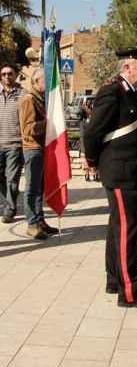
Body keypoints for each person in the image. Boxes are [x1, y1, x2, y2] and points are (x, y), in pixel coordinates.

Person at [84, 45, 137, 309]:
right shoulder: (112, 91)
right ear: (128, 67)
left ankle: (115, 281)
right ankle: (130, 292)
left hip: (129, 169)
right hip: (120, 171)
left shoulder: (131, 93)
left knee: (118, 229)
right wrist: (92, 162)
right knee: (128, 230)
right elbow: (93, 133)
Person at [18, 69, 59, 240]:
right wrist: (48, 123)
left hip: (42, 148)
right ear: (37, 81)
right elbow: (28, 129)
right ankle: (32, 224)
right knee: (32, 188)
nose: (48, 84)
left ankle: (40, 221)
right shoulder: (28, 100)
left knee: (40, 188)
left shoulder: (40, 99)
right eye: (45, 80)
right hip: (33, 148)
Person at [0, 62, 27, 223]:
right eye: (3, 74)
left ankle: (9, 209)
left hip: (15, 144)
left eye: (10, 73)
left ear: (16, 75)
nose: (7, 76)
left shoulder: (23, 95)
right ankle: (13, 194)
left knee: (12, 178)